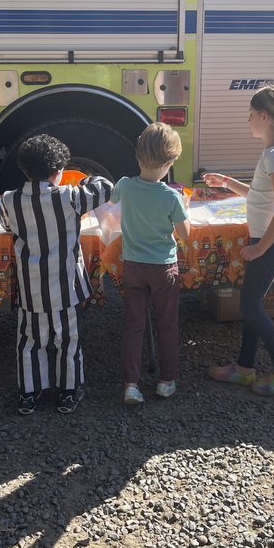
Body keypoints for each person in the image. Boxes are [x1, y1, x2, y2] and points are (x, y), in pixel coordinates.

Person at [0, 134, 113, 415]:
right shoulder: (70, 197)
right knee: (68, 341)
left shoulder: (10, 200)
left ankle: (29, 393)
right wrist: (85, 179)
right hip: (66, 288)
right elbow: (106, 187)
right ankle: (68, 392)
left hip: (31, 290)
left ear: (24, 169)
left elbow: (5, 225)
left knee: (29, 342)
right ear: (58, 172)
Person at [203, 84, 274, 396]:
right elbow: (261, 196)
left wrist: (260, 247)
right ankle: (244, 369)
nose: (247, 121)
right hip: (269, 241)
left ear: (264, 116)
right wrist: (227, 183)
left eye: (249, 115)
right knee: (252, 304)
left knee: (249, 306)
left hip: (270, 242)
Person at [110, 123, 190, 405]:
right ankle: (166, 381)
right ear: (169, 163)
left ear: (137, 157)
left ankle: (131, 385)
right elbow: (184, 233)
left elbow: (112, 199)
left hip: (132, 266)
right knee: (167, 325)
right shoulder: (172, 196)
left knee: (134, 325)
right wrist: (185, 211)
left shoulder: (124, 185)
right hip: (163, 269)